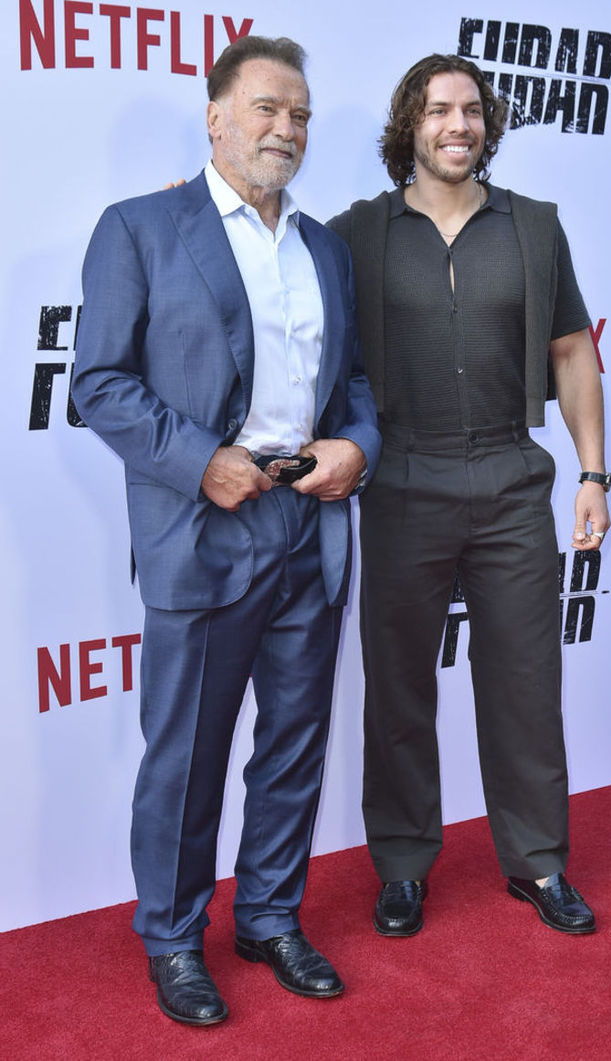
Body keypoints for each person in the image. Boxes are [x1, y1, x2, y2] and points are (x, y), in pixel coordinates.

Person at [72, 35, 380, 1026]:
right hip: (204, 523)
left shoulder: (325, 248)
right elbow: (99, 382)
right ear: (214, 118)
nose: (285, 129)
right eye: (265, 108)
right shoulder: (140, 227)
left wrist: (356, 445)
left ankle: (270, 917)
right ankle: (172, 937)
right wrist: (201, 458)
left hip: (309, 522)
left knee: (294, 742)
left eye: (300, 115)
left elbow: (353, 382)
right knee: (187, 755)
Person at [328, 53, 610, 939]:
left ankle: (537, 862)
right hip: (401, 478)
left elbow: (572, 351)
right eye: (437, 110)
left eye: (472, 110)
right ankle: (402, 864)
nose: (458, 124)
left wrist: (592, 472)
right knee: (397, 687)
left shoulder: (534, 227)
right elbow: (273, 290)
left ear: (487, 126)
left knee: (525, 682)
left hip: (510, 477)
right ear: (408, 126)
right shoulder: (354, 234)